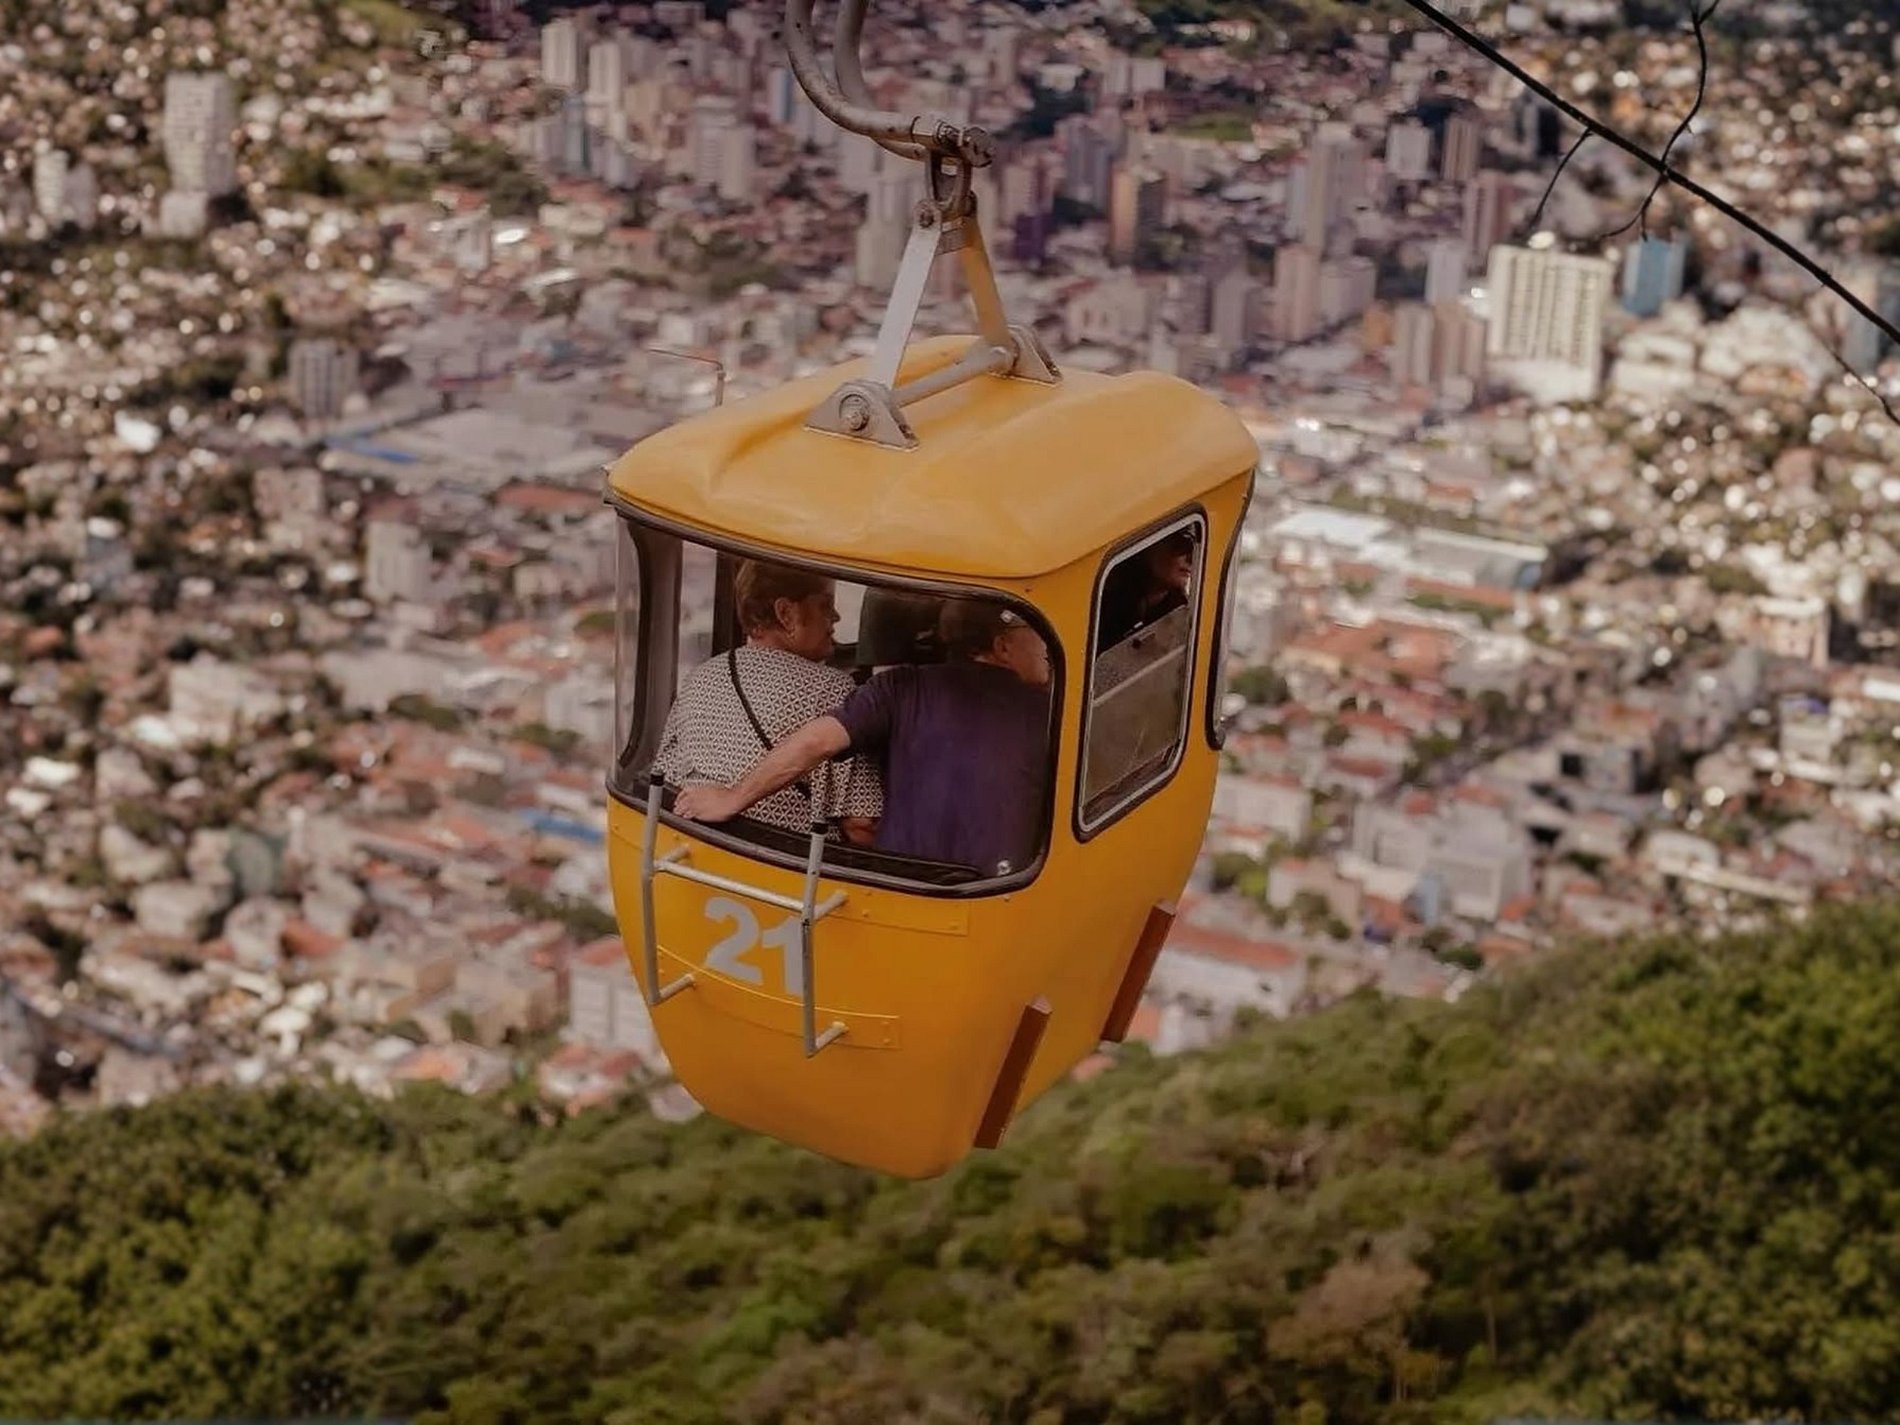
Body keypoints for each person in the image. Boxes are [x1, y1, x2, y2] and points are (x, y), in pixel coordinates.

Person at [676, 599, 1051, 876]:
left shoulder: (898, 687)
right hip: (1000, 897)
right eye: (1038, 639)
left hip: (898, 887)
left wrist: (733, 798)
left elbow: (817, 742)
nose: (1047, 652)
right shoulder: (1051, 713)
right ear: (1002, 646)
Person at [651, 559, 881, 842]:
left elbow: (663, 775)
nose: (835, 617)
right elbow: (861, 823)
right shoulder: (834, 690)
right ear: (785, 613)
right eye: (824, 605)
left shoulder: (700, 676)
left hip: (693, 849)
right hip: (788, 862)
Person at [1096, 527, 1198, 652]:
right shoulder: (1103, 601)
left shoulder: (1184, 615)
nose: (1191, 559)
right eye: (1181, 544)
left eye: (1194, 548)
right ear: (1150, 544)